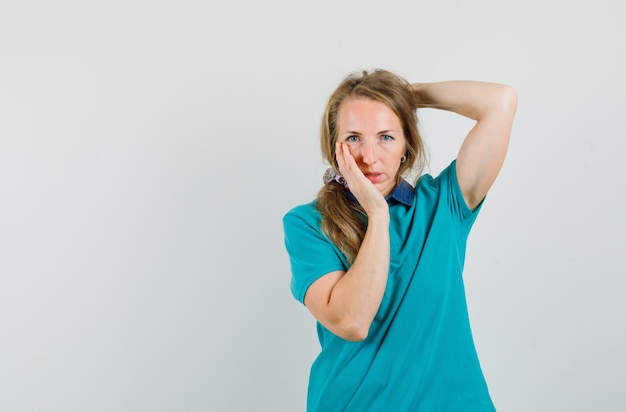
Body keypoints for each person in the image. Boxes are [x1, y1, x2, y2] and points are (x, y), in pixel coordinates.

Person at [282, 68, 517, 411]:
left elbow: (501, 101)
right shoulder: (308, 223)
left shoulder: (443, 204)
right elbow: (352, 321)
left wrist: (408, 96)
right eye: (353, 138)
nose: (369, 157)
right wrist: (377, 214)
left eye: (386, 136)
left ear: (406, 144)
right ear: (335, 147)